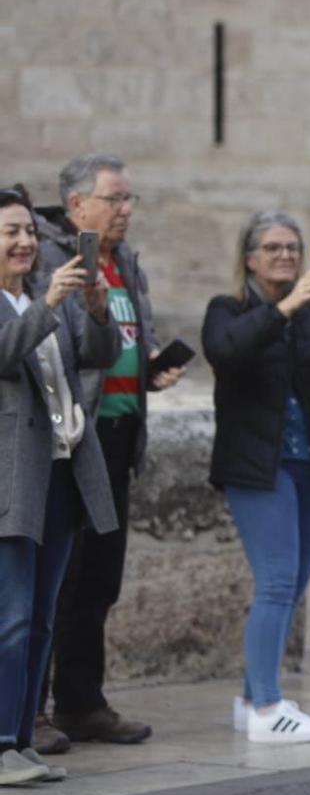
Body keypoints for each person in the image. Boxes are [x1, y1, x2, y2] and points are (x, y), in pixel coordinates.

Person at [36, 154, 185, 748]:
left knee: (100, 578)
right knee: (60, 577)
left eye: (130, 200)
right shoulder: (54, 260)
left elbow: (122, 344)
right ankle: (35, 709)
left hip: (121, 433)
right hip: (74, 439)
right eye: (114, 199)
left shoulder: (126, 263)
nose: (126, 211)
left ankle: (81, 702)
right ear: (78, 206)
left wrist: (149, 371)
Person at [203, 211, 310, 744]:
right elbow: (225, 352)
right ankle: (270, 708)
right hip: (257, 469)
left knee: (291, 586)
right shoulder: (228, 309)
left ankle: (252, 700)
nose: (286, 257)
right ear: (249, 258)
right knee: (274, 582)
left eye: (293, 248)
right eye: (272, 248)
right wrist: (286, 306)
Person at [0, 186, 118, 786]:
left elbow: (99, 355)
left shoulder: (49, 297)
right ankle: (0, 742)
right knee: (12, 617)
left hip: (63, 473)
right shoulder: (27, 303)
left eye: (26, 231)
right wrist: (46, 302)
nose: (24, 242)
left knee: (43, 617)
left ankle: (21, 740)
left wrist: (96, 309)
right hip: (14, 480)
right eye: (10, 233)